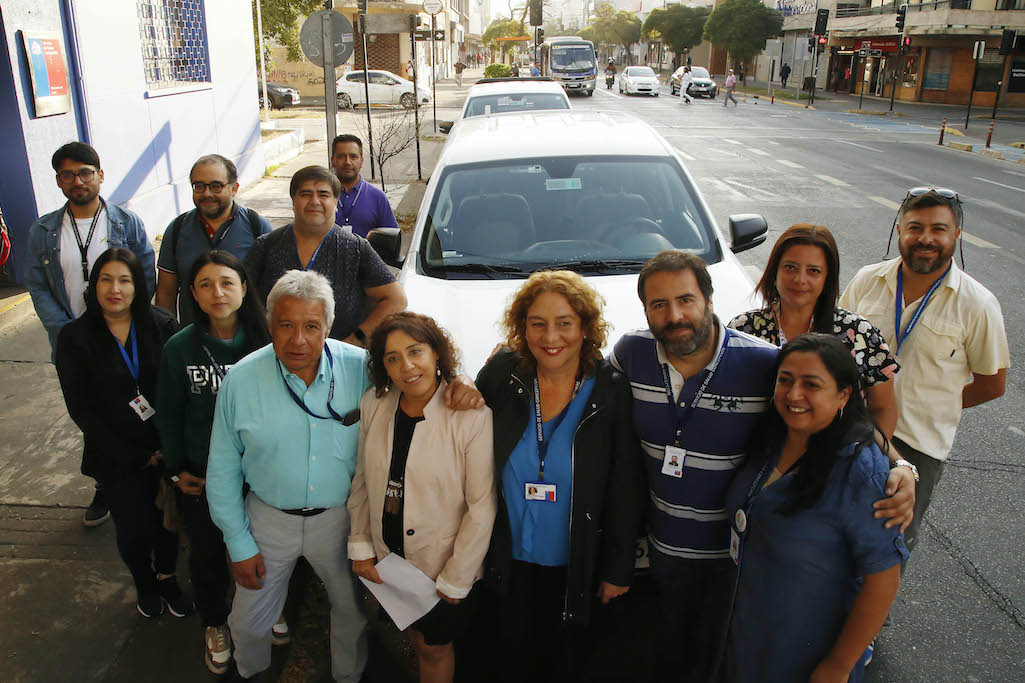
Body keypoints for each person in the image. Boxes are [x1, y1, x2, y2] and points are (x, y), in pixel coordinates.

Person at [609, 250, 915, 683]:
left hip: (738, 566)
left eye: (685, 299)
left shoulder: (765, 363)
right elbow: (576, 377)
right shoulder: (631, 353)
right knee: (681, 656)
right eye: (659, 304)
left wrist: (901, 465)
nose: (674, 314)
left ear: (709, 300)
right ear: (645, 310)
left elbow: (841, 420)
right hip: (667, 552)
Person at [206, 269, 484, 681]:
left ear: (329, 327)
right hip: (266, 518)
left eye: (311, 326)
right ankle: (251, 672)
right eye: (286, 326)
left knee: (352, 613)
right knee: (248, 619)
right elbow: (222, 469)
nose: (298, 340)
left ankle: (347, 678)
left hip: (341, 519)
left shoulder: (361, 368)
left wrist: (461, 381)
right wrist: (237, 540)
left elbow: (420, 376)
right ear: (269, 325)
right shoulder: (241, 379)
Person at [475, 271, 645, 682]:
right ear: (523, 328)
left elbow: (626, 487)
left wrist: (618, 569)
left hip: (578, 564)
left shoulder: (610, 391)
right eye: (538, 323)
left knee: (566, 664)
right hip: (505, 559)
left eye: (565, 323)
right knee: (507, 660)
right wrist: (460, 386)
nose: (551, 336)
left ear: (586, 328)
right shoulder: (503, 376)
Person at [720, 334, 907, 683]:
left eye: (812, 384)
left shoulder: (860, 470)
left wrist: (838, 664)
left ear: (843, 395)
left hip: (805, 650)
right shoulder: (771, 437)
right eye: (785, 380)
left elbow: (882, 579)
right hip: (746, 632)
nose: (793, 395)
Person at [839, 188, 1009, 554]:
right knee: (831, 538)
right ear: (899, 229)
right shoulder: (868, 281)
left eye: (939, 229)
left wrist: (939, 405)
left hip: (917, 448)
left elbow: (992, 383)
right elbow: (835, 348)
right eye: (915, 227)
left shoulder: (977, 304)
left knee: (885, 550)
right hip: (850, 431)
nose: (926, 239)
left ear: (956, 236)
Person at [155, 250, 284, 675]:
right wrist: (177, 469)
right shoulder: (179, 347)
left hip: (263, 471)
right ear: (192, 292)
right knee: (209, 552)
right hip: (204, 473)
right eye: (206, 284)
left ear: (245, 288)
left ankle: (267, 608)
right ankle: (214, 622)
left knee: (268, 548)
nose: (218, 293)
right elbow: (170, 414)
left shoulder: (268, 340)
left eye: (227, 282)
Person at [349, 312, 496, 683]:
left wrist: (456, 579)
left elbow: (481, 506)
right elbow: (364, 478)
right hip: (391, 556)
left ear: (436, 353)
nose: (406, 366)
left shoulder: (471, 417)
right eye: (392, 358)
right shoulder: (375, 403)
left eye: (415, 351)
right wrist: (361, 543)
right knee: (416, 639)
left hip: (440, 565)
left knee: (434, 648)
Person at [55, 248, 190, 618]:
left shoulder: (162, 325)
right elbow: (81, 409)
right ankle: (144, 582)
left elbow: (179, 391)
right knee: (134, 528)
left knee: (167, 522)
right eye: (106, 279)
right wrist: (135, 455)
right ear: (94, 285)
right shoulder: (74, 338)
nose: (115, 289)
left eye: (125, 280)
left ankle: (166, 575)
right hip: (115, 455)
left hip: (165, 448)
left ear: (138, 285)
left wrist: (168, 446)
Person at [26, 141, 156, 528]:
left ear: (100, 175)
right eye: (68, 174)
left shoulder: (126, 223)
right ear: (59, 181)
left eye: (85, 172)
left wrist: (135, 326)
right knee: (92, 412)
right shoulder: (43, 230)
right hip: (77, 343)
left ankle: (147, 471)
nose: (78, 181)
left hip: (123, 338)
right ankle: (106, 481)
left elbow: (144, 276)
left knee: (135, 406)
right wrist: (69, 335)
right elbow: (37, 285)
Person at [729, 224, 901, 439]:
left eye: (813, 271)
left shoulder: (858, 333)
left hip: (835, 464)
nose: (800, 279)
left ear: (827, 278)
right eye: (790, 267)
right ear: (774, 271)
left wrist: (869, 459)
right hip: (758, 459)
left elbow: (883, 407)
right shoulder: (743, 329)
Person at [243, 165, 406, 346]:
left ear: (336, 202)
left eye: (323, 194)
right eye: (305, 194)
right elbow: (240, 297)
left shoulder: (355, 249)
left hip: (336, 363)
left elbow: (396, 299)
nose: (314, 201)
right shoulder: (267, 245)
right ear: (293, 201)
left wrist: (357, 339)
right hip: (275, 358)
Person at [155, 154, 272, 324]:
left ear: (234, 188)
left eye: (216, 186)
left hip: (249, 341)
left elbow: (274, 289)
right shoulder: (177, 230)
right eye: (199, 186)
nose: (207, 193)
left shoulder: (257, 227)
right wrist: (168, 335)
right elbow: (166, 292)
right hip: (193, 340)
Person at [326, 134, 399, 239]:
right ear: (332, 161)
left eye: (353, 157)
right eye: (341, 156)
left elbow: (392, 239)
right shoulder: (321, 197)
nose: (347, 162)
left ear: (361, 161)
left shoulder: (377, 197)